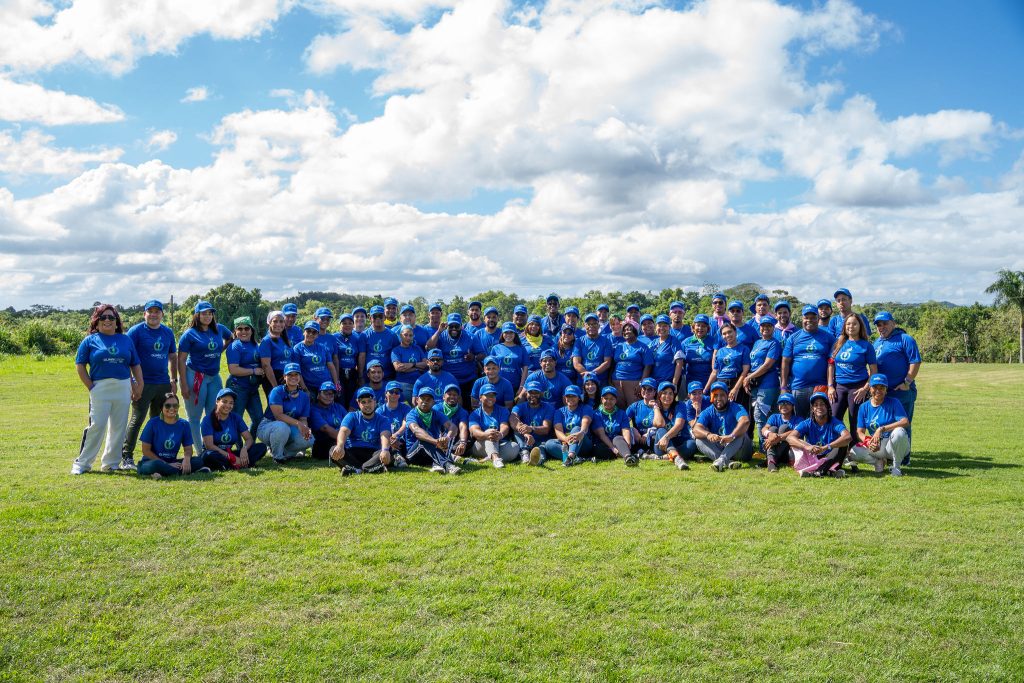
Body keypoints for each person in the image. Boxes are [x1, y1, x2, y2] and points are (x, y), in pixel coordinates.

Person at [72, 304, 144, 474]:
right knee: (97, 425)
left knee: (119, 427)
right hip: (100, 388)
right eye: (103, 317)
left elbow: (135, 364)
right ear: (96, 321)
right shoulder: (90, 340)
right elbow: (80, 365)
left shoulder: (125, 340)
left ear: (116, 321)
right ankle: (82, 464)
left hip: (123, 387)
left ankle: (111, 463)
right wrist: (91, 386)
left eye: (111, 317)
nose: (107, 320)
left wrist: (139, 385)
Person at [121, 299, 177, 471]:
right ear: (144, 314)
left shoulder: (167, 332)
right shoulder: (136, 331)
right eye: (150, 311)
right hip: (143, 384)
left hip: (163, 383)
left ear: (162, 314)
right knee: (137, 419)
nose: (153, 315)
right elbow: (126, 357)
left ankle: (154, 455)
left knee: (158, 421)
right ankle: (127, 456)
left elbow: (172, 357)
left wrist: (174, 380)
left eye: (157, 311)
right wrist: (133, 382)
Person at [177, 301, 234, 452]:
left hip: (214, 377)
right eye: (204, 313)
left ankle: (210, 448)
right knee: (194, 418)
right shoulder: (190, 334)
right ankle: (200, 453)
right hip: (195, 377)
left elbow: (231, 337)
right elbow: (181, 360)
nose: (207, 316)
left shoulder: (219, 329)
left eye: (210, 313)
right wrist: (183, 384)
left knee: (214, 414)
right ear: (197, 315)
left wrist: (219, 351)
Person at [828, 312, 878, 461]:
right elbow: (830, 365)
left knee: (855, 422)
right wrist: (830, 386)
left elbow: (874, 371)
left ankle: (853, 455)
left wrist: (865, 389)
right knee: (834, 418)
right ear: (845, 326)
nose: (851, 326)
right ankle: (836, 452)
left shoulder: (866, 346)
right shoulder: (838, 343)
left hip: (858, 388)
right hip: (839, 387)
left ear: (860, 326)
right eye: (848, 324)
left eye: (854, 324)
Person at [872, 311, 921, 461]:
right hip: (883, 392)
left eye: (885, 323)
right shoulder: (877, 343)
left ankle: (904, 459)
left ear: (893, 323)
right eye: (879, 325)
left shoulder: (905, 339)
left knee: (902, 425)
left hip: (901, 391)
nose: (882, 327)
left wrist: (907, 382)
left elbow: (915, 361)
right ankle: (888, 455)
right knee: (885, 424)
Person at [850, 374, 911, 477]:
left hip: (893, 444)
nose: (878, 390)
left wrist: (881, 429)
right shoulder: (863, 407)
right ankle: (878, 462)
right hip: (877, 445)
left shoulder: (894, 402)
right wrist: (868, 442)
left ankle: (896, 467)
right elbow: (859, 432)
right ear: (870, 388)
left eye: (882, 387)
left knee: (899, 432)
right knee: (853, 452)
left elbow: (905, 421)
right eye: (875, 387)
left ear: (886, 389)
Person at [780, 305, 835, 417]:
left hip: (820, 386)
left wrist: (830, 385)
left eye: (813, 317)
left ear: (818, 318)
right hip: (798, 386)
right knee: (799, 420)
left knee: (819, 419)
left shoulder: (828, 337)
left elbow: (832, 362)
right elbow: (785, 363)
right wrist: (783, 387)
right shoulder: (793, 338)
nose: (809, 320)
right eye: (806, 317)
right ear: (802, 319)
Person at [137, 394, 210, 478]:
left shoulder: (184, 424)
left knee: (198, 461)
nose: (172, 408)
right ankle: (183, 471)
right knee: (156, 465)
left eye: (175, 406)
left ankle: (163, 473)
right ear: (161, 407)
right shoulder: (152, 423)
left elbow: (188, 449)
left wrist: (186, 459)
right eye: (168, 406)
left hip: (173, 462)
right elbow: (146, 451)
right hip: (152, 461)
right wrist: (166, 464)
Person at [255, 362, 315, 463]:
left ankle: (285, 453)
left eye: (296, 374)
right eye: (290, 374)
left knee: (310, 439)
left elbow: (303, 419)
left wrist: (304, 428)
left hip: (290, 427)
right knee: (282, 427)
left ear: (300, 377)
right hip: (268, 426)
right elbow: (278, 416)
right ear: (284, 376)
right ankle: (278, 456)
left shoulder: (304, 396)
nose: (293, 377)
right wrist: (298, 424)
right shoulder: (277, 391)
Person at [330, 386, 393, 476]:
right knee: (333, 449)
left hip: (373, 453)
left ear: (375, 401)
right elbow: (343, 431)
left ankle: (355, 469)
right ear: (358, 403)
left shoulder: (383, 420)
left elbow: (385, 435)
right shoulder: (351, 416)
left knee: (387, 451)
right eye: (363, 402)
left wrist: (385, 450)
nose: (367, 405)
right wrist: (340, 445)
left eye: (370, 401)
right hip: (354, 452)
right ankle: (368, 468)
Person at [199, 388, 268, 470]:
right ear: (217, 401)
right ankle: (239, 464)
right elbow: (209, 446)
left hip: (229, 452)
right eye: (224, 401)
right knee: (208, 455)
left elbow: (249, 439)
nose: (228, 405)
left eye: (231, 403)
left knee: (261, 447)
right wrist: (231, 457)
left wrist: (244, 449)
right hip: (216, 453)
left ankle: (229, 465)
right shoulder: (207, 420)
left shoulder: (236, 418)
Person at [787, 391, 852, 478]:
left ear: (827, 407)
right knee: (796, 442)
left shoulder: (835, 422)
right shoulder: (807, 423)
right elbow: (789, 437)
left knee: (843, 445)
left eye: (822, 404)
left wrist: (826, 447)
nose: (819, 407)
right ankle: (828, 471)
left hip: (830, 456)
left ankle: (816, 472)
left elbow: (847, 436)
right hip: (813, 456)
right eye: (816, 405)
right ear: (812, 409)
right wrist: (807, 447)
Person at [693, 381, 754, 471]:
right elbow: (695, 429)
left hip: (740, 450)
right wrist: (708, 435)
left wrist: (731, 436)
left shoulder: (736, 407)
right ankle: (726, 461)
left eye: (722, 395)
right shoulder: (708, 411)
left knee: (741, 434)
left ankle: (721, 460)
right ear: (711, 397)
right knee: (699, 440)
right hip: (721, 446)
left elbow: (745, 421)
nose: (719, 398)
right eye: (715, 395)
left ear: (727, 395)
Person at [427, 313, 485, 409]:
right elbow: (429, 347)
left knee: (468, 408)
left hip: (468, 380)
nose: (454, 329)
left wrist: (474, 357)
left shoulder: (470, 337)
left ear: (461, 326)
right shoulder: (441, 336)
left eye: (456, 326)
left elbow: (482, 354)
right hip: (447, 380)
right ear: (447, 326)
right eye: (451, 326)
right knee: (449, 408)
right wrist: (439, 331)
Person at [403, 387, 462, 474]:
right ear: (417, 400)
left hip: (432, 451)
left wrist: (447, 438)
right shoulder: (412, 414)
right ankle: (448, 465)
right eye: (422, 398)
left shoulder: (436, 413)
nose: (425, 401)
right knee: (423, 440)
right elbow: (416, 431)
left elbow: (452, 427)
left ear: (433, 402)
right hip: (414, 454)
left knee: (449, 435)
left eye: (428, 399)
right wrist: (435, 442)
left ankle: (437, 464)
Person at [224, 315, 265, 434]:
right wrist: (253, 371)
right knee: (236, 419)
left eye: (246, 328)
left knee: (258, 419)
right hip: (238, 388)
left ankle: (250, 443)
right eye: (240, 329)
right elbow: (233, 369)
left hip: (253, 389)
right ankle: (237, 444)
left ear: (251, 330)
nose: (243, 331)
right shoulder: (234, 346)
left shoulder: (255, 345)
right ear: (235, 331)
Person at [744, 316, 782, 444]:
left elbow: (767, 365)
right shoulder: (757, 342)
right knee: (769, 416)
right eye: (763, 326)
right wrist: (749, 377)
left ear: (773, 328)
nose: (765, 328)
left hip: (768, 384)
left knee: (759, 416)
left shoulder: (774, 343)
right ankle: (772, 445)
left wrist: (749, 377)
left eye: (769, 326)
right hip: (756, 384)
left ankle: (763, 447)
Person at [468, 383, 518, 468]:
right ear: (480, 397)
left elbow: (504, 426)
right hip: (480, 444)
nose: (491, 398)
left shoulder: (502, 410)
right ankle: (495, 459)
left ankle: (487, 458)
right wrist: (486, 435)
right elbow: (474, 431)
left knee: (514, 447)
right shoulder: (475, 414)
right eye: (487, 395)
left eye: (493, 395)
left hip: (499, 443)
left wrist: (500, 434)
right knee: (490, 434)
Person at [542, 385, 594, 466]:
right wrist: (566, 439)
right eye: (568, 396)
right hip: (567, 442)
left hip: (583, 442)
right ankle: (577, 458)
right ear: (565, 397)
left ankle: (570, 457)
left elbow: (585, 422)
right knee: (549, 444)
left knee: (576, 429)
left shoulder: (586, 408)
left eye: (573, 396)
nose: (570, 398)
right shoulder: (559, 411)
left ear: (579, 397)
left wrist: (581, 433)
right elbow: (558, 430)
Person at [705, 323, 751, 414]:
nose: (727, 335)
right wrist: (705, 389)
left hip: (736, 382)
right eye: (724, 333)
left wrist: (736, 388)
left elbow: (745, 371)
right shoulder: (720, 351)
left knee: (737, 411)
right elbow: (714, 372)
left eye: (729, 332)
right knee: (721, 411)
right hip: (721, 383)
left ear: (735, 332)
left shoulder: (744, 349)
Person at [651, 381, 693, 470]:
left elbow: (679, 425)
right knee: (661, 430)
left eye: (670, 393)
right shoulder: (655, 409)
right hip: (662, 446)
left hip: (679, 443)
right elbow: (660, 424)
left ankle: (665, 457)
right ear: (659, 395)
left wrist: (666, 437)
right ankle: (676, 458)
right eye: (664, 393)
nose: (668, 396)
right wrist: (656, 407)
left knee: (692, 444)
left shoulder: (680, 405)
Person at [509, 380, 553, 465]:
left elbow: (546, 429)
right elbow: (513, 419)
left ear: (541, 393)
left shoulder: (548, 408)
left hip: (541, 441)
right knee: (516, 429)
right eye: (530, 392)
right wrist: (526, 433)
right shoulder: (519, 407)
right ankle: (525, 453)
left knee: (540, 453)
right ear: (526, 394)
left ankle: (538, 460)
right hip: (524, 440)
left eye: (536, 392)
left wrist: (531, 429)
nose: (533, 395)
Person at [611, 321, 653, 408]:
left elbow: (648, 366)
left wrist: (641, 383)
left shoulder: (643, 347)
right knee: (619, 408)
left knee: (633, 408)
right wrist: (610, 380)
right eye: (625, 330)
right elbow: (612, 364)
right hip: (617, 381)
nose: (627, 331)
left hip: (633, 382)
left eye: (629, 329)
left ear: (635, 331)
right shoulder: (619, 346)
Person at [293, 321, 339, 397]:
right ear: (304, 332)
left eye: (314, 332)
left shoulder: (323, 348)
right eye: (308, 331)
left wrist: (336, 383)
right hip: (309, 387)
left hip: (326, 385)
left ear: (317, 335)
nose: (311, 334)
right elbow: (297, 371)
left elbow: (331, 366)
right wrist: (304, 389)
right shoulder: (297, 349)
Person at [592, 386, 634, 464]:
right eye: (606, 398)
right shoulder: (596, 414)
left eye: (611, 399)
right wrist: (612, 448)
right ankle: (620, 453)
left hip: (617, 442)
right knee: (599, 449)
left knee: (618, 438)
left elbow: (625, 430)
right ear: (601, 399)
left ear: (616, 400)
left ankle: (628, 457)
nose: (608, 401)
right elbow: (601, 435)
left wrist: (628, 444)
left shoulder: (621, 413)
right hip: (603, 442)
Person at [760, 393, 800, 472]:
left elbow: (796, 432)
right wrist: (770, 435)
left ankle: (771, 460)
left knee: (784, 427)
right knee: (772, 429)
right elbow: (764, 429)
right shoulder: (774, 417)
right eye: (781, 403)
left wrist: (778, 438)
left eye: (787, 403)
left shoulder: (798, 419)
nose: (784, 406)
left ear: (793, 406)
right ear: (778, 406)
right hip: (774, 448)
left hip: (788, 452)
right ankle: (771, 461)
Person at [333, 312, 366, 407]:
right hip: (339, 373)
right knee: (340, 399)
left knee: (352, 400)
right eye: (344, 323)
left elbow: (360, 357)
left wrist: (360, 376)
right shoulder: (334, 337)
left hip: (352, 374)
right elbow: (334, 358)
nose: (347, 325)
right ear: (340, 325)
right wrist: (336, 379)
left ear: (353, 325)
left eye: (350, 323)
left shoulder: (357, 338)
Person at [309, 382, 347, 460]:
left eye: (331, 394)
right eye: (325, 393)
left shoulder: (338, 407)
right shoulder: (314, 410)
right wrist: (345, 440)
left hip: (341, 440)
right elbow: (326, 429)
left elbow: (350, 423)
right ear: (318, 395)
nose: (328, 396)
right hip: (323, 442)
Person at [258, 311, 292, 398]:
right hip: (273, 379)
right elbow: (266, 365)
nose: (278, 324)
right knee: (276, 404)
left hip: (287, 377)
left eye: (281, 321)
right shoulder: (266, 341)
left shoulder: (285, 340)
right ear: (269, 323)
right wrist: (275, 387)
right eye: (275, 321)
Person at [391, 324, 427, 403]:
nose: (408, 338)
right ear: (401, 335)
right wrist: (417, 368)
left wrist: (412, 365)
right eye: (405, 335)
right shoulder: (396, 350)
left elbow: (425, 364)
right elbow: (398, 368)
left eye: (410, 335)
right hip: (404, 383)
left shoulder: (417, 348)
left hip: (419, 383)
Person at [491, 321, 529, 391]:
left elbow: (525, 368)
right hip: (498, 385)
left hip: (516, 386)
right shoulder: (496, 348)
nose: (508, 335)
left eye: (511, 332)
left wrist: (521, 387)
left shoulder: (521, 348)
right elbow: (491, 367)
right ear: (502, 334)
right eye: (506, 332)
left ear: (515, 334)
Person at [363, 305, 398, 380]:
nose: (378, 318)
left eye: (380, 316)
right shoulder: (364, 335)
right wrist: (360, 376)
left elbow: (396, 357)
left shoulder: (392, 336)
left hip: (387, 376)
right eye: (375, 316)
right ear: (370, 318)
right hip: (368, 376)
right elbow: (361, 356)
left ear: (385, 317)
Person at [626, 377, 659, 456]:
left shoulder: (659, 405)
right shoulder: (635, 406)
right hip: (638, 438)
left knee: (657, 436)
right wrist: (632, 429)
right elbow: (623, 422)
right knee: (627, 433)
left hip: (652, 437)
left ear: (655, 392)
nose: (646, 391)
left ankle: (645, 452)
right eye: (644, 388)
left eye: (650, 389)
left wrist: (649, 433)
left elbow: (661, 424)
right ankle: (640, 451)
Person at [681, 314, 715, 390]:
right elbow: (681, 364)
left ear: (708, 328)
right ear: (693, 327)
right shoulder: (686, 342)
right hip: (690, 382)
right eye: (698, 325)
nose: (700, 328)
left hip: (709, 381)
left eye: (703, 326)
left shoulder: (713, 341)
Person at [649, 314, 684, 387]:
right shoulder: (653, 343)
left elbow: (679, 363)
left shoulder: (674, 341)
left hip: (667, 384)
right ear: (656, 327)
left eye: (665, 326)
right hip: (653, 383)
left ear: (669, 327)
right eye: (659, 325)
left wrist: (674, 384)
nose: (662, 328)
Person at [376, 381, 411, 454]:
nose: (394, 394)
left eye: (397, 392)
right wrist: (390, 439)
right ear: (386, 393)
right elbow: (378, 430)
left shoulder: (406, 408)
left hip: (402, 440)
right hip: (386, 440)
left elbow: (405, 425)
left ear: (399, 395)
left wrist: (396, 435)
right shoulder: (379, 411)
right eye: (391, 392)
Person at [440, 384, 471, 463]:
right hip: (439, 437)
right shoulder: (436, 408)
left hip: (453, 439)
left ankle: (451, 453)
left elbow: (463, 427)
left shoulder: (462, 412)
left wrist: (463, 443)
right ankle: (450, 455)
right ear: (443, 397)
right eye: (449, 394)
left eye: (455, 395)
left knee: (469, 437)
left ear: (458, 398)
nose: (452, 397)